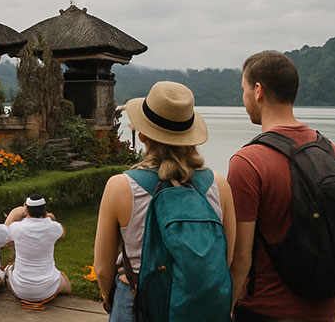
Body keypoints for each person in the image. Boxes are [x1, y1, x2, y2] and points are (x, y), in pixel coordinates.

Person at [94, 81, 236, 322]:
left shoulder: (120, 186)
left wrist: (110, 297)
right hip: (198, 306)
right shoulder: (219, 186)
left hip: (136, 299)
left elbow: (101, 268)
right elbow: (228, 258)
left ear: (141, 134)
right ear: (190, 136)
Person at [229, 51, 335, 322]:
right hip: (324, 310)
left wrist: (227, 307)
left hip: (265, 312)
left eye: (243, 89)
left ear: (257, 90)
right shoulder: (333, 152)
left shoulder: (248, 162)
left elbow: (240, 258)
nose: (242, 98)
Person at [4, 194, 71, 308]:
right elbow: (63, 233)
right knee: (67, 286)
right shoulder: (53, 227)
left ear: (26, 209)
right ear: (44, 209)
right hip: (48, 287)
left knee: (7, 271)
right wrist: (51, 218)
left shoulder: (16, 228)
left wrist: (13, 214)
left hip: (21, 289)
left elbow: (2, 238)